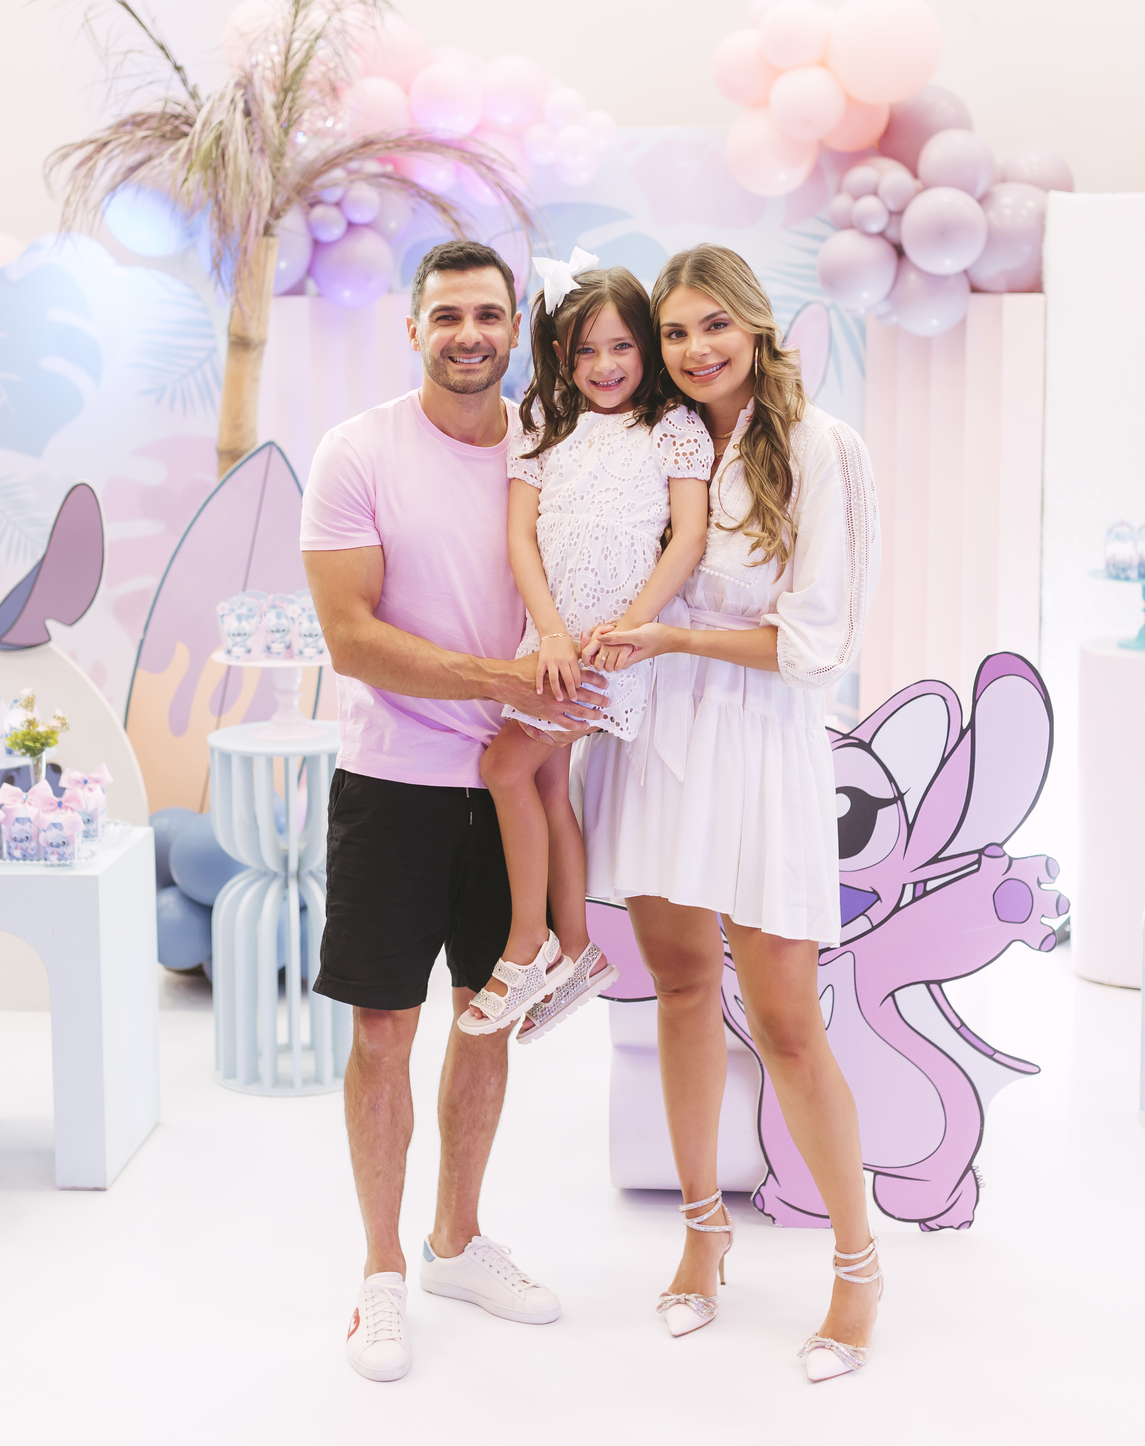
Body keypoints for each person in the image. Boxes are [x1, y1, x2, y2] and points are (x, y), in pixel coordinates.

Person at [300, 240, 606, 1385]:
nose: (468, 333)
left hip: (513, 784)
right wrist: (499, 679)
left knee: (487, 1019)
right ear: (413, 330)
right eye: (447, 315)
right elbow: (352, 638)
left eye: (487, 313)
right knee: (384, 1031)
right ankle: (382, 1271)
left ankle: (456, 1242)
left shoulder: (553, 448)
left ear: (514, 325)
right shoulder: (357, 452)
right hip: (393, 781)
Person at [578, 244, 883, 1383]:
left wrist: (670, 635)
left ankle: (857, 1264)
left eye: (714, 325)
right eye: (674, 332)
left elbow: (817, 644)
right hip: (659, 737)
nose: (695, 349)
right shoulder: (650, 443)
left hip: (757, 744)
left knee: (788, 1019)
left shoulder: (818, 447)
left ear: (755, 325)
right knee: (679, 988)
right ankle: (703, 1230)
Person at [460, 255, 712, 1041]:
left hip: (613, 652)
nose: (604, 366)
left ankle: (526, 944)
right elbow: (520, 539)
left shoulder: (672, 428)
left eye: (621, 346)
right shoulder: (543, 423)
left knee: (504, 767)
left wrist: (634, 625)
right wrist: (550, 633)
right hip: (551, 645)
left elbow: (688, 538)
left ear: (646, 346)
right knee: (541, 783)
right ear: (559, 355)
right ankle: (576, 950)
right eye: (584, 351)